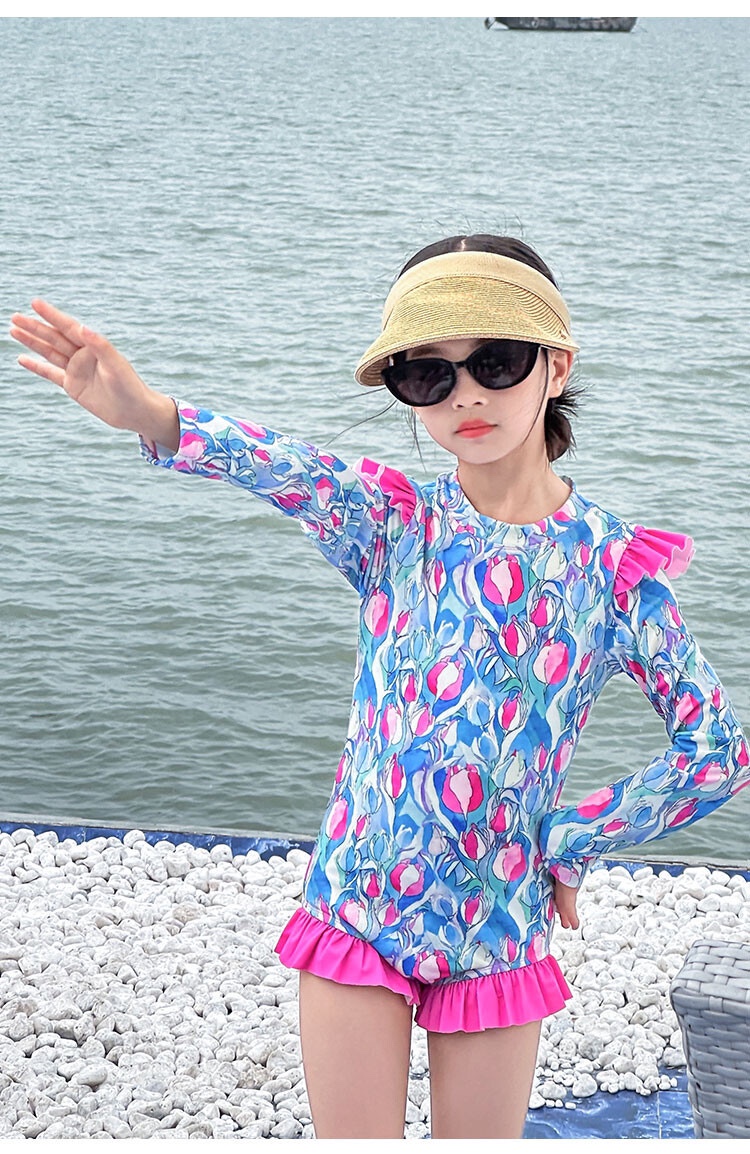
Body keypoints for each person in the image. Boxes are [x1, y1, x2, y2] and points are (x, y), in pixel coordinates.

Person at [11, 234, 750, 1140]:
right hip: (357, 904)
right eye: (428, 374)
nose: (466, 394)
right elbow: (276, 462)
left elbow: (717, 751)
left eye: (496, 362)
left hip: (498, 927)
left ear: (556, 366)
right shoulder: (392, 520)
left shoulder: (614, 568)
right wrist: (152, 415)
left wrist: (576, 836)